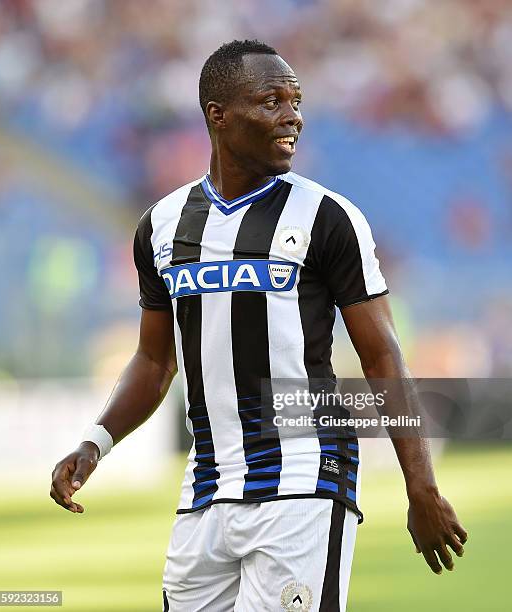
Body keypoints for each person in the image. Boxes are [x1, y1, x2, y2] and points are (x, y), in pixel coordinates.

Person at [50, 39, 468, 611]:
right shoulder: (162, 226)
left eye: (295, 100)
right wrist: (95, 443)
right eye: (272, 101)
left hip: (305, 478)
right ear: (218, 116)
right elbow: (155, 361)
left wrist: (420, 484)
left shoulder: (327, 216)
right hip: (207, 488)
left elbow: (382, 357)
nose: (292, 115)